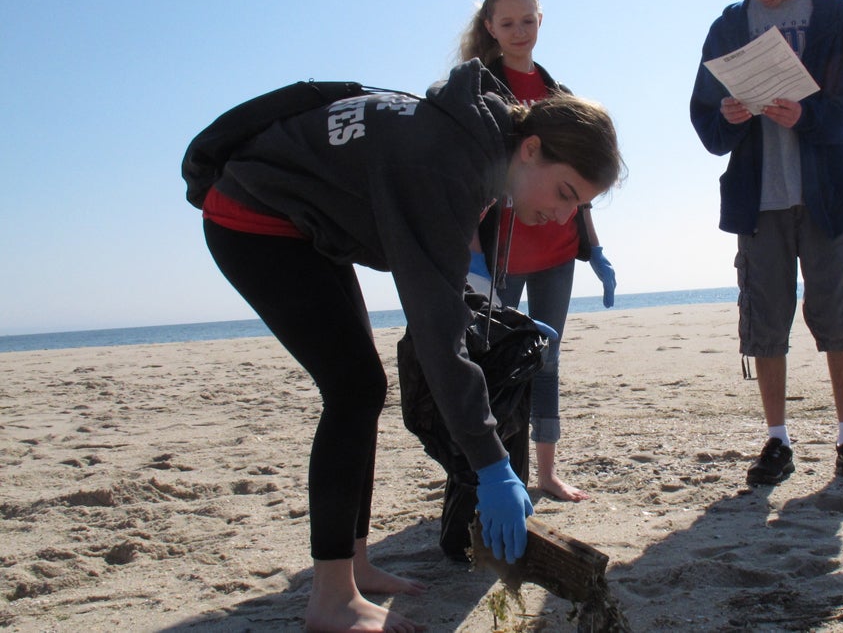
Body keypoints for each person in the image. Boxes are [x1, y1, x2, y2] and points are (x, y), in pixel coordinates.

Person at [184, 61, 622, 633]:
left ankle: (355, 565)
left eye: (578, 207)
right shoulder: (446, 164)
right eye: (565, 193)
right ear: (532, 148)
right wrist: (492, 465)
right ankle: (331, 599)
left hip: (310, 223)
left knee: (361, 389)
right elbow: (438, 335)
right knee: (354, 388)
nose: (562, 215)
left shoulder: (481, 140)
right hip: (253, 217)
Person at [690, 0, 843, 486]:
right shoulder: (727, 27)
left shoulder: (835, 13)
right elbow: (707, 126)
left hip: (827, 196)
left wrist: (808, 116)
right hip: (758, 202)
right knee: (765, 320)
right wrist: (728, 119)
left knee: (839, 313)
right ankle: (777, 441)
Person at [458, 0, 617, 502]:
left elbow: (580, 183)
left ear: (541, 22)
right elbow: (469, 178)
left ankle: (546, 473)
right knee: (496, 363)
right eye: (507, 23)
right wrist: (473, 256)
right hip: (501, 253)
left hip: (556, 253)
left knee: (547, 357)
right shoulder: (480, 90)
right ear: (490, 28)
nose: (519, 31)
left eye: (528, 21)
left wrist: (592, 247)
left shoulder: (559, 95)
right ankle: (492, 470)